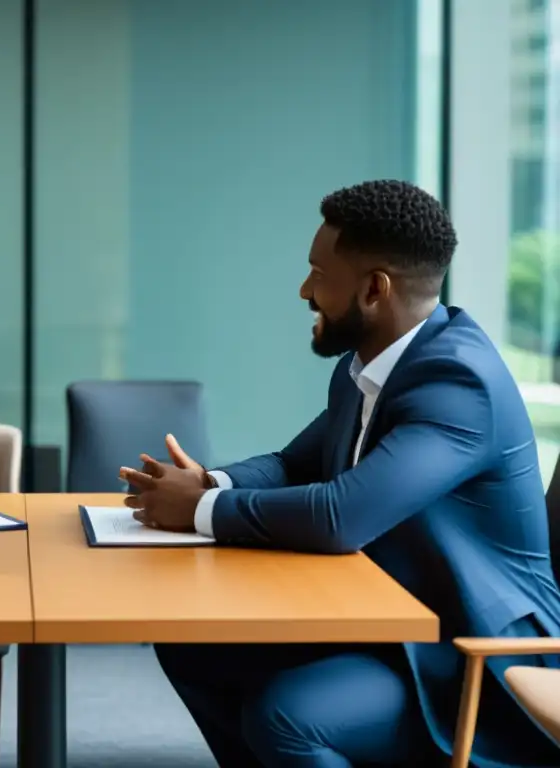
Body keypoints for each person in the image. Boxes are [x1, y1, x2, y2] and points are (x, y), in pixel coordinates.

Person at [121, 180, 560, 767]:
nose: (304, 290)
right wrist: (208, 483)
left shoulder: (460, 384)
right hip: (391, 620)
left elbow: (340, 515)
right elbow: (290, 463)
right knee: (193, 647)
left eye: (318, 274)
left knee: (288, 716)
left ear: (374, 289)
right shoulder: (370, 368)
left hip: (468, 655)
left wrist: (197, 511)